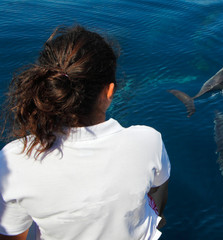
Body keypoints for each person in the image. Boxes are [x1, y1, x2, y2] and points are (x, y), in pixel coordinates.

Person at [0, 25, 170, 240]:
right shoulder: (148, 140)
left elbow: (11, 235)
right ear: (109, 92)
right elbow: (159, 190)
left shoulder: (14, 159)